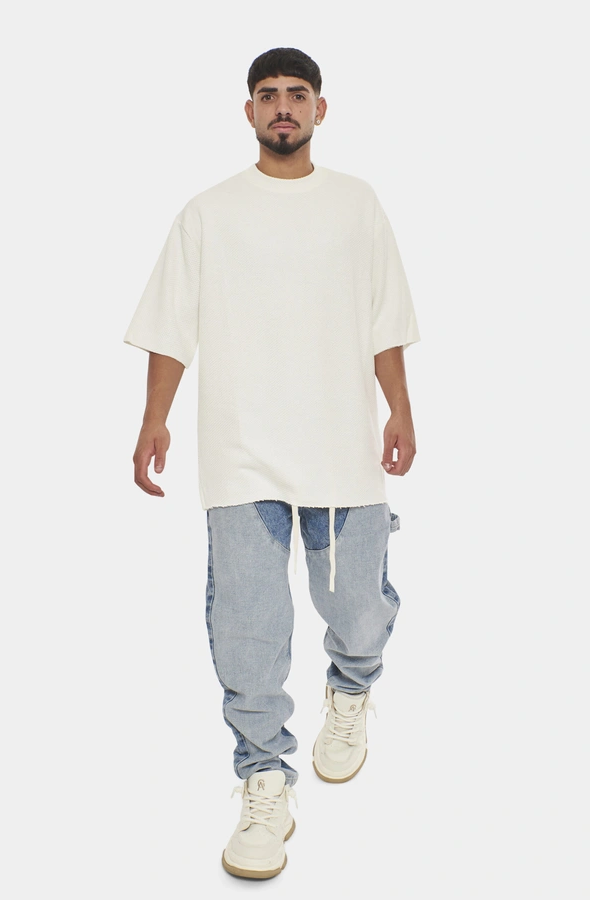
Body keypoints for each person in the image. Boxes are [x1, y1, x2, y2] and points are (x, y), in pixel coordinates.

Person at [123, 46, 421, 880]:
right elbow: (170, 324)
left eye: (296, 93)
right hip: (240, 449)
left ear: (320, 109)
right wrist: (153, 419)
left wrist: (400, 407)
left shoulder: (357, 204)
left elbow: (385, 318)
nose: (282, 106)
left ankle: (352, 686)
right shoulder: (208, 213)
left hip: (342, 444)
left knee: (356, 604)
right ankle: (264, 778)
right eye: (267, 94)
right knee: (247, 627)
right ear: (249, 111)